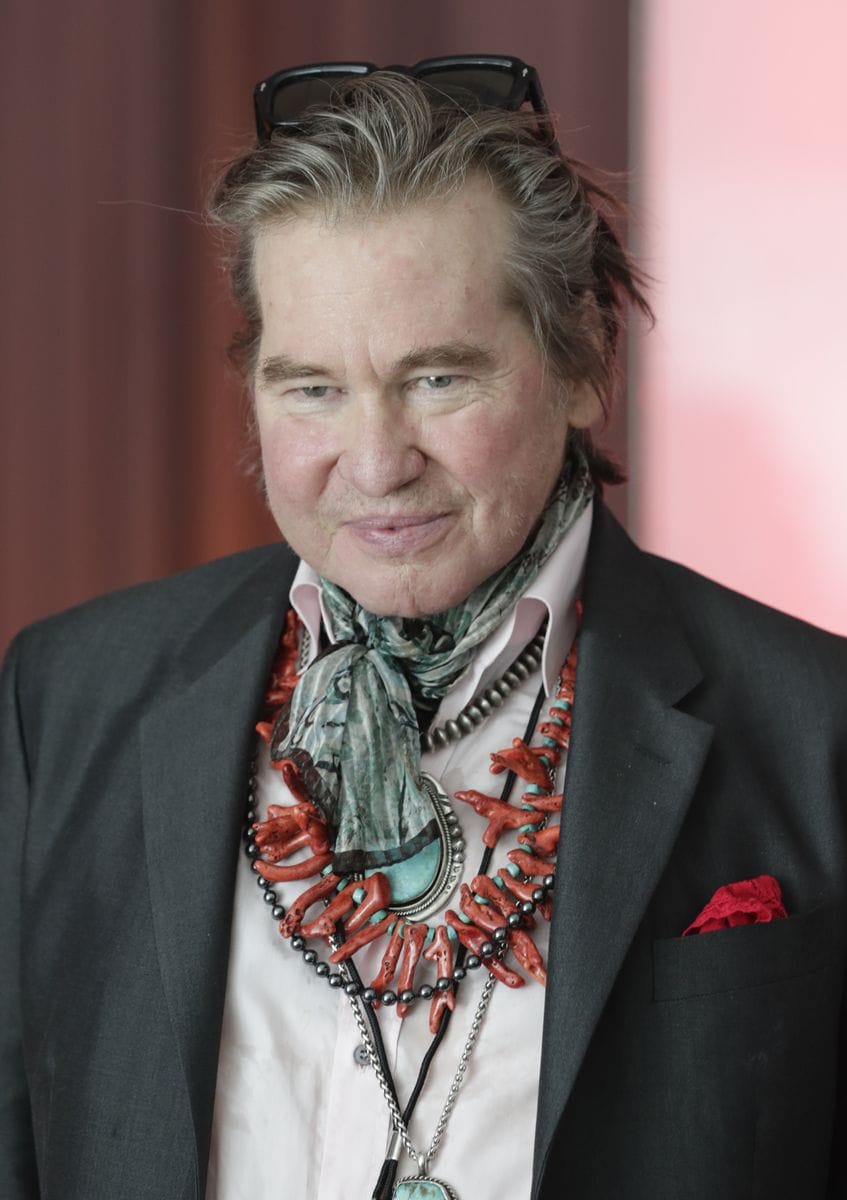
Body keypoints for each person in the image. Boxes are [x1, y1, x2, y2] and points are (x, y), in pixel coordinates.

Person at [1, 56, 845, 1200]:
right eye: (311, 389)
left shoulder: (814, 728)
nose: (377, 462)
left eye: (438, 379)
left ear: (584, 360)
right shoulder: (65, 700)